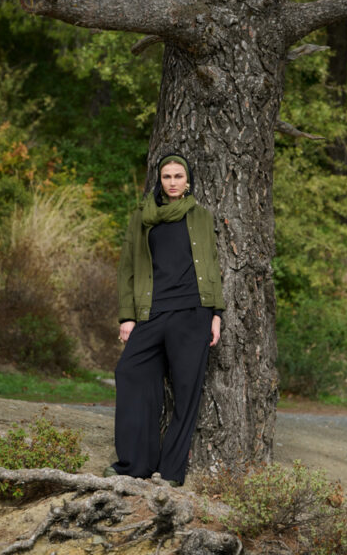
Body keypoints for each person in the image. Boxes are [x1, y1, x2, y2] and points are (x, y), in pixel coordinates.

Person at [104, 153, 225, 486]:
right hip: (152, 312)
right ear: (159, 181)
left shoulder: (201, 216)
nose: (172, 182)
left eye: (178, 176)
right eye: (167, 176)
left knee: (186, 392)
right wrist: (127, 317)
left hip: (193, 313)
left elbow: (212, 264)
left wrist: (216, 314)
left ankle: (171, 472)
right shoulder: (143, 217)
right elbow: (127, 268)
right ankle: (134, 464)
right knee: (129, 372)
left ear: (188, 181)